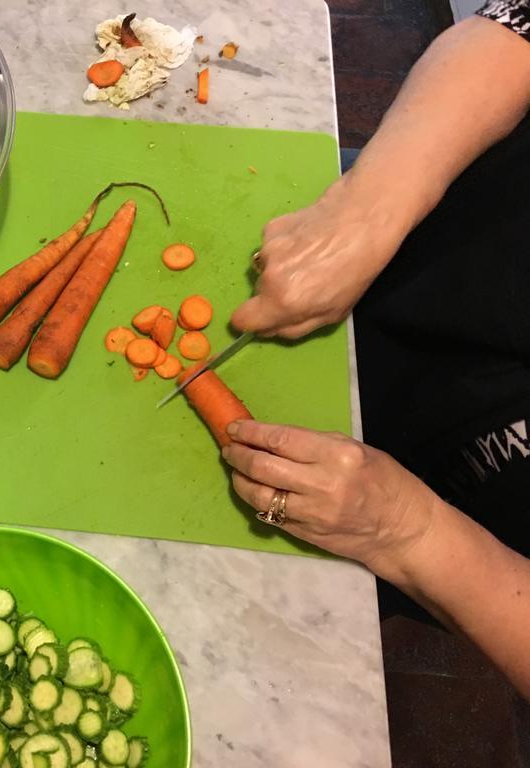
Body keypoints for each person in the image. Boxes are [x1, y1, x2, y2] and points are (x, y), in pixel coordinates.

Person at [222, 1, 530, 704]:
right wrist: (369, 206)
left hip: (470, 518)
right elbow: (520, 26)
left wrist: (413, 535)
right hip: (432, 223)